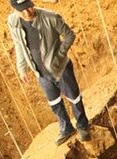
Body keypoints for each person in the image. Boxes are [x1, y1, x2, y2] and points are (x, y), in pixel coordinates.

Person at [7, 0, 90, 145]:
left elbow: (69, 35)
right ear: (14, 10)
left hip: (61, 68)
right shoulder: (13, 21)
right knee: (54, 102)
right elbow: (19, 45)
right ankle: (66, 128)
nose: (27, 13)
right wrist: (22, 69)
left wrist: (59, 56)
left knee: (74, 98)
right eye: (22, 10)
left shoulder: (50, 17)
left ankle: (82, 126)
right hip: (40, 72)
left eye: (28, 7)